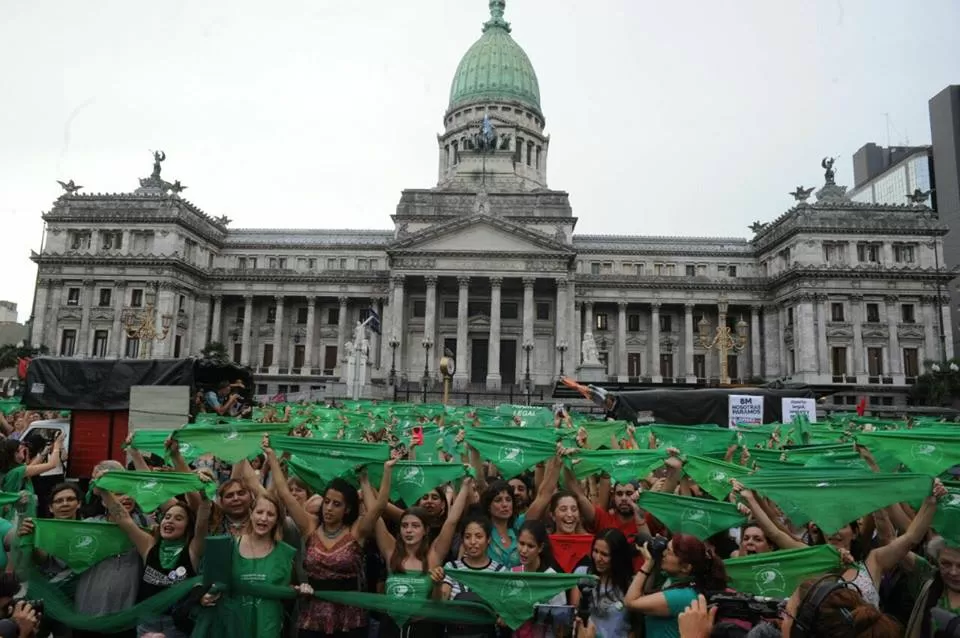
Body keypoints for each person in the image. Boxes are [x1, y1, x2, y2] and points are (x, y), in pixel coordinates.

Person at [265, 443, 394, 638]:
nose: (329, 508)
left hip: (350, 620)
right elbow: (284, 494)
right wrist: (272, 456)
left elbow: (379, 507)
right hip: (312, 618)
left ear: (347, 509)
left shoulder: (356, 531)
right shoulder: (310, 527)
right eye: (326, 501)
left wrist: (384, 471)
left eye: (336, 504)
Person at [100, 483, 212, 638]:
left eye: (178, 518)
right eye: (167, 517)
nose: (170, 521)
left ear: (188, 526)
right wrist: (104, 491)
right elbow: (124, 519)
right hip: (147, 623)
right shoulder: (149, 545)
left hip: (178, 624)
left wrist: (205, 498)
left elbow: (202, 525)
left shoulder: (193, 550)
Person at [366, 479, 472, 637]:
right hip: (390, 628)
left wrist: (464, 486)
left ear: (426, 530)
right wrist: (365, 480)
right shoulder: (391, 552)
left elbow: (451, 521)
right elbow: (375, 515)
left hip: (423, 630)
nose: (409, 531)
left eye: (415, 526)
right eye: (404, 526)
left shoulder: (433, 556)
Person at [200, 493, 304, 638]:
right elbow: (209, 584)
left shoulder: (286, 553)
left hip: (268, 627)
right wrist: (205, 597)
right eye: (259, 512)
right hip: (232, 626)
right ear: (251, 513)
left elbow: (290, 590)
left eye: (270, 514)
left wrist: (299, 589)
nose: (263, 518)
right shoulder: (227, 547)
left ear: (277, 520)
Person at [625, 533, 729, 638]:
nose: (663, 553)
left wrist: (648, 563)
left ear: (685, 567)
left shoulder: (682, 596)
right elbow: (644, 590)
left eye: (669, 551)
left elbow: (631, 602)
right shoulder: (672, 579)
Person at [570, 529, 634, 638]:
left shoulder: (630, 585)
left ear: (618, 557)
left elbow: (634, 628)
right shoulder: (582, 575)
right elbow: (575, 615)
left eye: (604, 554)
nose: (598, 558)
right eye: (595, 551)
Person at [512, 520, 566, 638]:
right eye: (521, 543)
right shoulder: (513, 574)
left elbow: (560, 621)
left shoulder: (552, 579)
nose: (524, 550)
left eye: (530, 546)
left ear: (540, 548)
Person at [441, 514, 507, 599]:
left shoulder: (500, 572)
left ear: (488, 539)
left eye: (479, 537)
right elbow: (442, 600)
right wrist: (437, 585)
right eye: (467, 537)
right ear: (462, 540)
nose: (472, 542)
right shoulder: (452, 568)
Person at [906, 537, 960, 638]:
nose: (953, 572)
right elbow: (890, 542)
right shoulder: (928, 577)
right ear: (937, 560)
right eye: (946, 564)